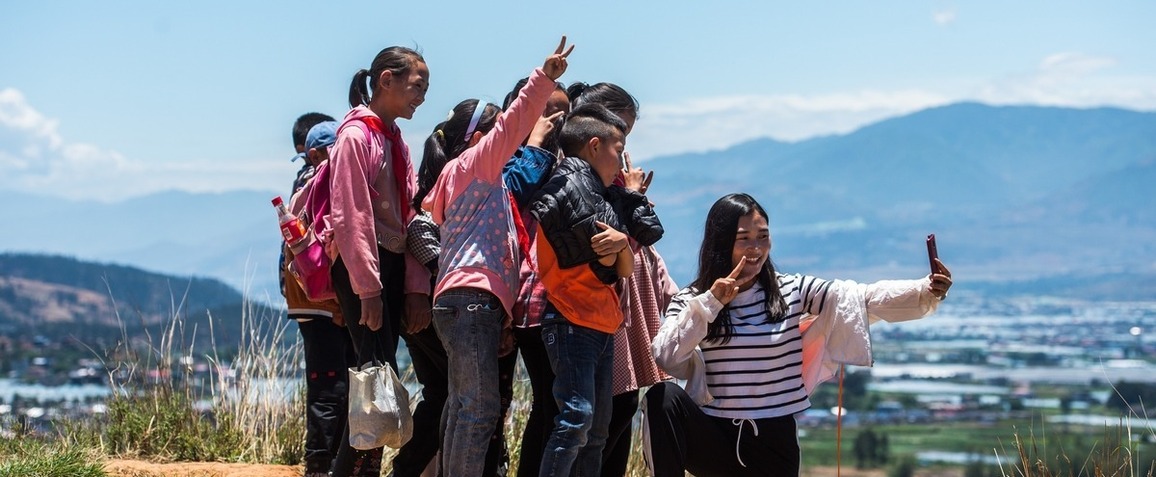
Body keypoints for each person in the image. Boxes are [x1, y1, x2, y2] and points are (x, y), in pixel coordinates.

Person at [645, 193, 954, 476]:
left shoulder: (792, 290)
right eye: (744, 239)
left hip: (773, 442)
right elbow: (666, 355)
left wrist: (924, 289)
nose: (755, 249)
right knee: (663, 397)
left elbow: (861, 298)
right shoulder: (694, 299)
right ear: (721, 242)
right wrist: (711, 302)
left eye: (763, 237)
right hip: (716, 437)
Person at [420, 37, 574, 477]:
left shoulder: (457, 179)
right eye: (496, 130)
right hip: (472, 301)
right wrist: (544, 79)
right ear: (482, 138)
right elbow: (514, 124)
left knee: (463, 404)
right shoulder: (476, 166)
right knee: (479, 409)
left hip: (460, 302)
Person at [529, 102, 662, 476]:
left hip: (600, 321)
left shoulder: (598, 192)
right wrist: (623, 235)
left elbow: (632, 253)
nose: (622, 162)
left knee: (596, 429)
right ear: (593, 146)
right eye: (618, 150)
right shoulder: (570, 187)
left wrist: (623, 238)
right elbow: (610, 264)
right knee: (577, 418)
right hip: (571, 318)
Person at [325, 46, 429, 477]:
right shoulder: (357, 137)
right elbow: (352, 218)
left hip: (382, 265)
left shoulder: (391, 138)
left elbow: (406, 216)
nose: (421, 96)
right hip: (362, 268)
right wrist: (368, 289)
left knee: (378, 377)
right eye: (417, 85)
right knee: (373, 382)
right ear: (386, 80)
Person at [567, 82, 673, 477]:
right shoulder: (584, 180)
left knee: (623, 404)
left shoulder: (609, 178)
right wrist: (632, 198)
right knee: (610, 409)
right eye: (620, 134)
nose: (623, 146)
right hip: (604, 300)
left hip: (625, 294)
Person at [500, 76, 569, 477]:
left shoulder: (565, 162)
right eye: (546, 110)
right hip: (524, 300)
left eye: (562, 112)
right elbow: (511, 198)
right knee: (540, 401)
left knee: (551, 402)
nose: (555, 120)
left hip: (552, 297)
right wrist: (535, 148)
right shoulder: (505, 157)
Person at [282, 115, 356, 477]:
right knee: (335, 385)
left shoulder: (301, 185)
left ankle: (322, 462)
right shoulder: (327, 183)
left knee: (327, 383)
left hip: (304, 299)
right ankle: (324, 463)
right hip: (326, 300)